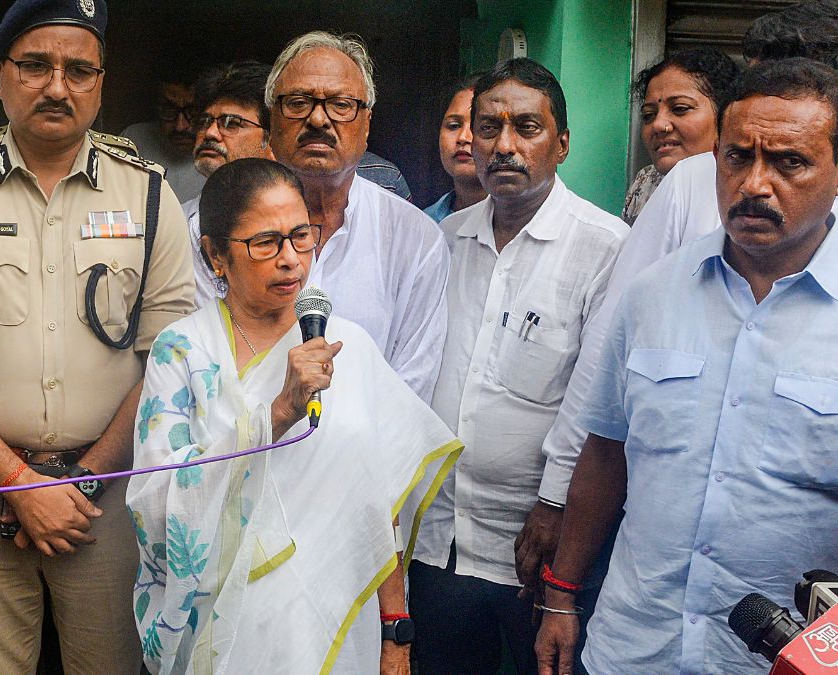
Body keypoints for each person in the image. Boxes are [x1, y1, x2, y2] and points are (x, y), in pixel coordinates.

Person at [0, 0, 195, 671]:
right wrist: (18, 480)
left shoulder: (149, 197)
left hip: (109, 499)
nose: (56, 86)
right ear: (1, 75)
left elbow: (168, 362)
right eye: (35, 65)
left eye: (78, 70)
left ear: (100, 82)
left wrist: (81, 482)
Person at [535, 58, 838, 675]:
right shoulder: (652, 294)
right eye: (736, 157)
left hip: (784, 662)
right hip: (634, 647)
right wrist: (562, 596)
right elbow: (605, 452)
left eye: (790, 162)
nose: (755, 184)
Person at [127, 158, 460, 674]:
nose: (290, 260)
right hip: (225, 629)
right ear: (216, 254)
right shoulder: (183, 352)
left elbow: (381, 500)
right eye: (265, 242)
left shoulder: (349, 348)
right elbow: (154, 503)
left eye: (301, 236)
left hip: (335, 623)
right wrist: (277, 414)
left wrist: (396, 628)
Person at [411, 58, 628, 675]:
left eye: (526, 127)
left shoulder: (605, 248)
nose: (504, 145)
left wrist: (557, 504)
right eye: (488, 127)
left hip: (538, 546)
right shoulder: (444, 240)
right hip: (440, 543)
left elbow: (598, 402)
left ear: (561, 143)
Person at [266, 31, 451, 402]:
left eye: (341, 104)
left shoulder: (415, 239)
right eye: (299, 102)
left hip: (369, 456)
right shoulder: (220, 229)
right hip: (251, 452)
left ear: (366, 124)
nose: (318, 119)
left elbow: (410, 388)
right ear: (271, 119)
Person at [184, 60, 275, 306]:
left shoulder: (299, 227)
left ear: (271, 139)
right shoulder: (173, 221)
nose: (210, 133)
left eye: (232, 124)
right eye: (204, 122)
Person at [622, 49, 738, 224]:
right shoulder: (645, 182)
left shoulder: (744, 188)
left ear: (726, 115)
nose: (658, 125)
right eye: (649, 115)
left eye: (680, 109)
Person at [121, 73, 207, 203]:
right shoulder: (133, 141)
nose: (180, 126)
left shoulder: (221, 151)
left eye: (192, 112)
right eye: (169, 110)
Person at [425, 71, 487, 222]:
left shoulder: (523, 223)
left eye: (482, 126)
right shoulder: (424, 222)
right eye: (453, 125)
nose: (463, 138)